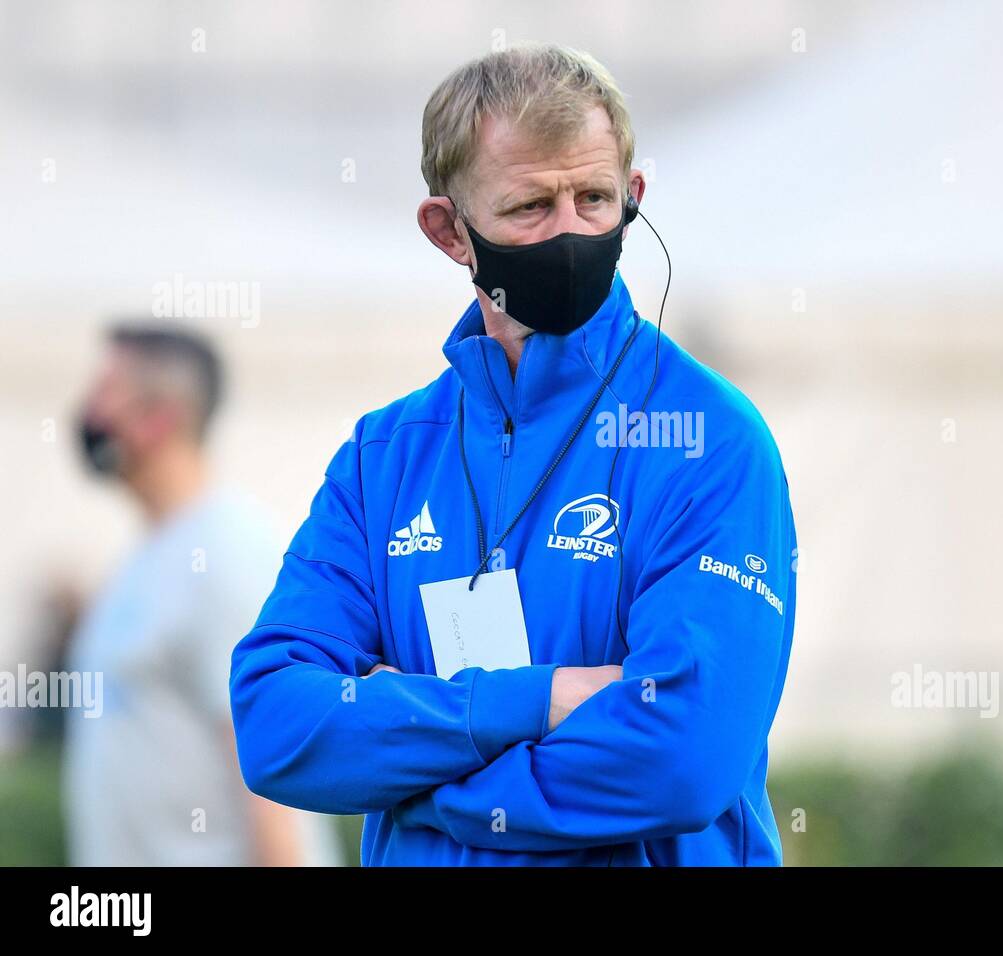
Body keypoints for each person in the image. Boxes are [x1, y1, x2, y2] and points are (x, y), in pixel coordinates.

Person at [230, 43, 797, 866]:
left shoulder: (710, 439)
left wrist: (424, 779)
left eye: (595, 199)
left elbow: (683, 756)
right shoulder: (383, 456)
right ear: (448, 231)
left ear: (634, 199)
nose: (570, 232)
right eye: (531, 207)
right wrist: (539, 701)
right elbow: (276, 724)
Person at [65, 323, 341, 866]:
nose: (88, 412)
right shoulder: (149, 554)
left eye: (104, 392)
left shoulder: (223, 552)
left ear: (157, 419)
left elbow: (275, 785)